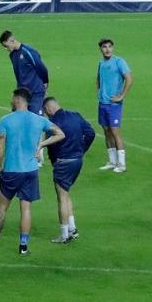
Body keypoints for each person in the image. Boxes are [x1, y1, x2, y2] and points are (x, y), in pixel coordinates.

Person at [0, 89, 62, 256]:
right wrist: (41, 145)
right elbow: (60, 134)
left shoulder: (6, 120)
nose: (11, 101)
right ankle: (23, 246)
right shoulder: (39, 120)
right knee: (26, 210)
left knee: (1, 209)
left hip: (11, 170)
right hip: (30, 171)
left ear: (18, 99)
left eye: (12, 98)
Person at [39, 97, 95, 244]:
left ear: (48, 109)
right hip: (77, 161)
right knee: (66, 193)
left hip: (63, 162)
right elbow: (91, 133)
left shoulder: (54, 124)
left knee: (62, 198)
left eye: (45, 112)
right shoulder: (75, 115)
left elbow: (51, 147)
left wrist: (53, 161)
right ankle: (72, 229)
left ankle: (64, 235)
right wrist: (81, 150)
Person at [95, 38, 132, 173]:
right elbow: (98, 78)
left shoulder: (119, 62)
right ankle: (112, 161)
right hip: (103, 103)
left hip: (114, 104)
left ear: (113, 48)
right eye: (104, 47)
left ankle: (122, 164)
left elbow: (129, 78)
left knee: (115, 132)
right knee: (106, 131)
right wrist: (99, 92)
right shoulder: (101, 63)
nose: (107, 49)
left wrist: (121, 96)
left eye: (110, 46)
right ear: (100, 49)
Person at [0, 31, 48, 114]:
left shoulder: (28, 52)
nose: (6, 49)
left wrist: (45, 82)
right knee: (19, 117)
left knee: (36, 118)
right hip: (22, 92)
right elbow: (19, 74)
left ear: (12, 41)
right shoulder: (12, 55)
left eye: (6, 46)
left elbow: (41, 67)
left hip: (35, 91)